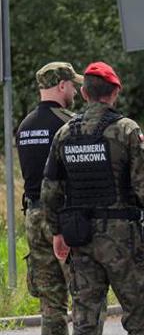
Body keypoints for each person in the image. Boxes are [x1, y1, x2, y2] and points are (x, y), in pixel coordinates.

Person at [41, 61, 144, 335]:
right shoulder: (126, 130)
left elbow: (50, 190)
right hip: (124, 240)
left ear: (85, 94)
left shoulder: (64, 134)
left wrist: (56, 232)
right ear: (114, 93)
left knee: (85, 322)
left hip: (81, 239)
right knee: (140, 316)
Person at [16, 62, 85, 335]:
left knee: (51, 304)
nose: (76, 91)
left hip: (33, 219)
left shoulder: (25, 126)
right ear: (61, 85)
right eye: (73, 85)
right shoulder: (68, 124)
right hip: (63, 219)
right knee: (83, 294)